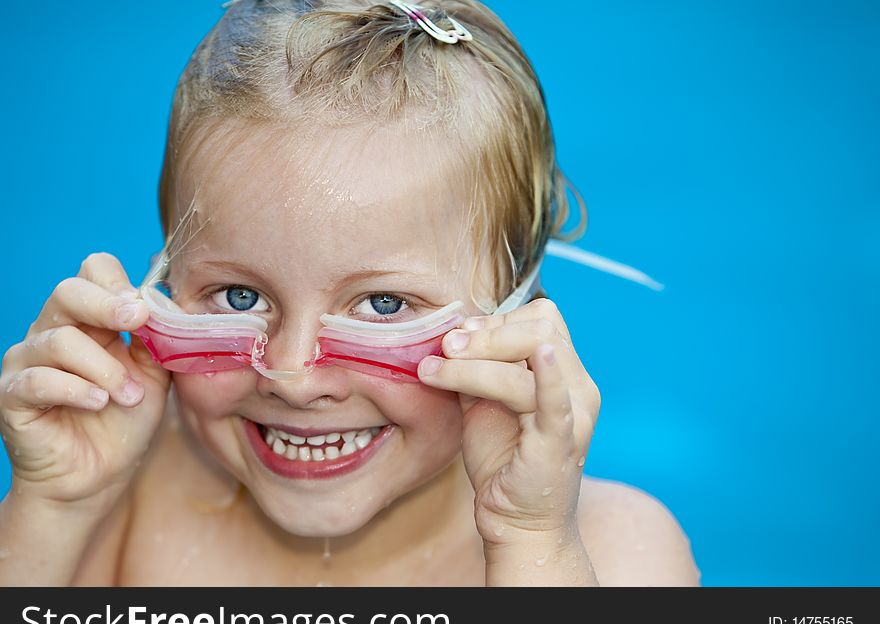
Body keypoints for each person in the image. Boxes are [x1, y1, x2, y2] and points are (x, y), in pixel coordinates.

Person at [0, 0, 699, 586]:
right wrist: (55, 503)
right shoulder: (124, 501)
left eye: (384, 306)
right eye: (239, 297)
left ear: (520, 314)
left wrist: (528, 541)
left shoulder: (619, 552)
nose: (294, 376)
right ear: (161, 288)